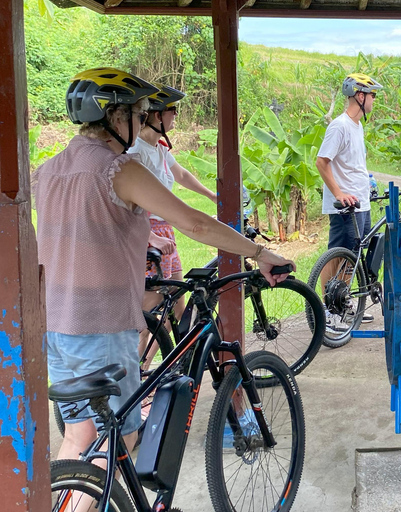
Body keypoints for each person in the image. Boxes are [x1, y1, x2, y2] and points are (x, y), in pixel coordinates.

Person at [34, 67, 293, 465]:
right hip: (100, 329)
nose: (140, 127)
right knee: (119, 440)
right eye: (138, 116)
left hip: (56, 328)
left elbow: (81, 230)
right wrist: (259, 254)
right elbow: (195, 223)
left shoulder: (49, 170)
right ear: (116, 118)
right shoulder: (118, 169)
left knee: (78, 437)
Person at [127, 83, 217, 371]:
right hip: (147, 233)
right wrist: (150, 237)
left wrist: (212, 196)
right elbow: (130, 206)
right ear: (156, 115)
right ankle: (138, 374)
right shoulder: (135, 153)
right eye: (173, 111)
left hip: (166, 232)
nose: (175, 118)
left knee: (178, 304)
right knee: (151, 312)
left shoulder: (161, 148)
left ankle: (177, 367)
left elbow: (182, 174)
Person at [315, 73, 383, 328]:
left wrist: (368, 182)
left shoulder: (357, 126)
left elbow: (353, 163)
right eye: (372, 96)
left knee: (351, 257)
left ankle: (342, 303)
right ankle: (327, 310)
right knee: (336, 255)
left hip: (361, 203)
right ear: (360, 96)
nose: (374, 101)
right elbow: (322, 162)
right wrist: (339, 194)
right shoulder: (340, 125)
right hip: (345, 207)